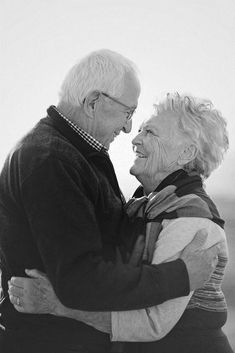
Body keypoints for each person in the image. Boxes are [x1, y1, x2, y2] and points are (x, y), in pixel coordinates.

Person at [0, 49, 218, 353]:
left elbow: (151, 321)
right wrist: (179, 276)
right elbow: (80, 279)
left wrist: (56, 304)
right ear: (92, 102)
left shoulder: (183, 213)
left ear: (185, 154)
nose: (130, 131)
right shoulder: (51, 159)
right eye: (129, 114)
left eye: (147, 129)